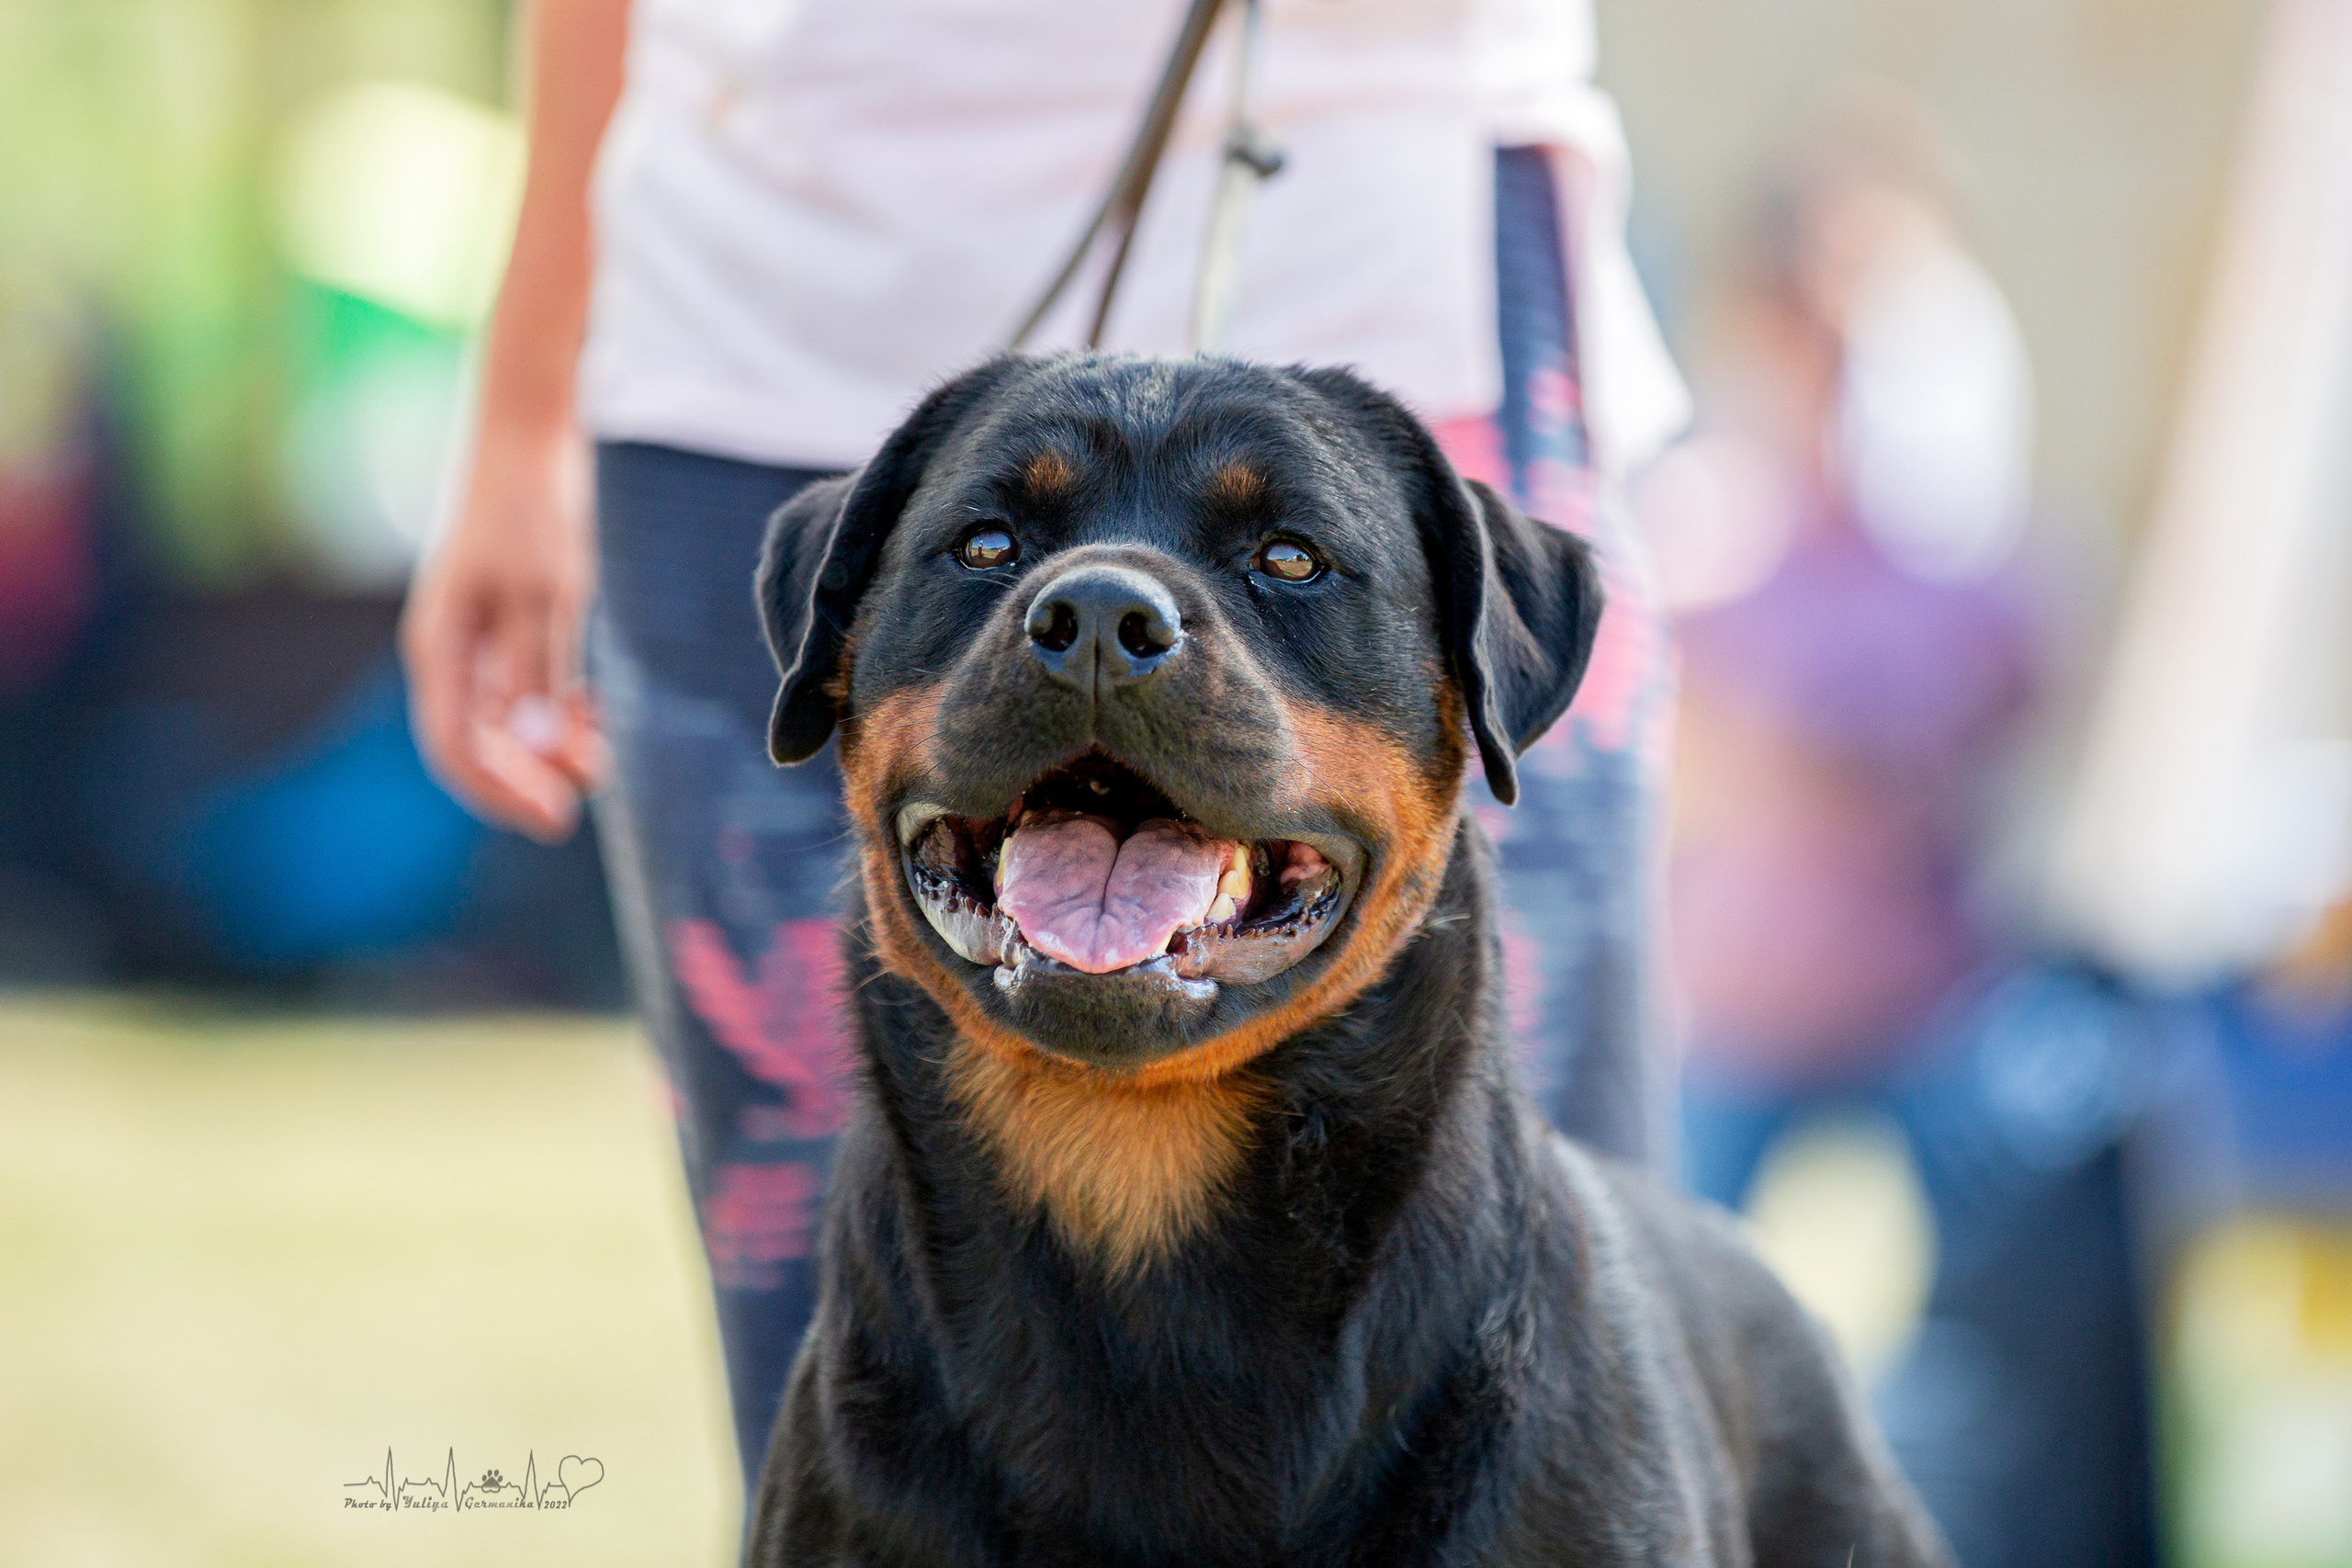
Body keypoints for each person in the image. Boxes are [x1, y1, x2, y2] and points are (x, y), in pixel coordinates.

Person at [401, 0, 1689, 1495]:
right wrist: (525, 405)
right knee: (841, 1401)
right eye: (1004, 554)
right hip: (755, 326)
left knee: (1544, 1423)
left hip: (1394, 250)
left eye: (1279, 563)